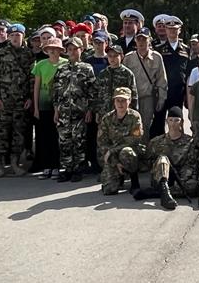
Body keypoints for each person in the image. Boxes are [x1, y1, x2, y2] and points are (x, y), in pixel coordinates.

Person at [0, 23, 35, 177]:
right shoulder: (1, 54)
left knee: (18, 134)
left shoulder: (28, 55)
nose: (15, 38)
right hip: (4, 101)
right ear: (8, 37)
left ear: (23, 36)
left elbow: (31, 78)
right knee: (1, 133)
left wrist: (29, 96)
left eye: (18, 35)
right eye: (13, 35)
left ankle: (15, 163)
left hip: (21, 101)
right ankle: (0, 165)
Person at [135, 106, 198, 209]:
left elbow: (191, 164)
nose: (173, 123)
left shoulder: (189, 141)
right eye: (171, 120)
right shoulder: (156, 141)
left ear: (182, 122)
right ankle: (165, 194)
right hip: (161, 178)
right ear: (167, 121)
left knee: (193, 187)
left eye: (176, 120)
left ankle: (156, 193)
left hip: (180, 178)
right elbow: (147, 162)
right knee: (163, 159)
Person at [53, 37, 95, 182]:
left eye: (75, 49)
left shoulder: (86, 68)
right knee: (64, 141)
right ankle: (66, 168)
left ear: (81, 50)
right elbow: (56, 91)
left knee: (79, 141)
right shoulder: (61, 68)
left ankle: (78, 168)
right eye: (69, 49)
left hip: (80, 112)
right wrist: (56, 110)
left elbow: (92, 91)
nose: (72, 52)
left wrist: (90, 109)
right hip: (64, 111)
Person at [97, 87, 145, 196]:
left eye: (124, 100)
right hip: (112, 156)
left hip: (130, 153)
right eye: (117, 100)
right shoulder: (107, 118)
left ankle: (134, 181)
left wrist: (113, 150)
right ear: (114, 101)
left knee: (126, 151)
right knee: (109, 190)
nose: (120, 103)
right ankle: (119, 176)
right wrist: (115, 161)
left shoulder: (135, 117)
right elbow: (102, 143)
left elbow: (135, 139)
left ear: (129, 101)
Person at [124, 29, 167, 136]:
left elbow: (162, 80)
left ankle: (145, 151)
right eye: (139, 39)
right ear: (135, 40)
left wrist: (161, 99)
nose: (141, 42)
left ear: (150, 40)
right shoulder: (129, 58)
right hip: (132, 100)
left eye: (144, 39)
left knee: (145, 127)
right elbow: (124, 80)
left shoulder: (157, 57)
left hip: (148, 98)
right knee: (131, 128)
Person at [32, 37, 64, 177]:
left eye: (55, 48)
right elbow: (37, 87)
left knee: (57, 137)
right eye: (50, 48)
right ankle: (47, 166)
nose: (52, 51)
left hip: (61, 106)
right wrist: (36, 107)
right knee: (44, 137)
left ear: (60, 50)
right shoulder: (40, 64)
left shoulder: (66, 64)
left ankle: (57, 165)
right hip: (44, 105)